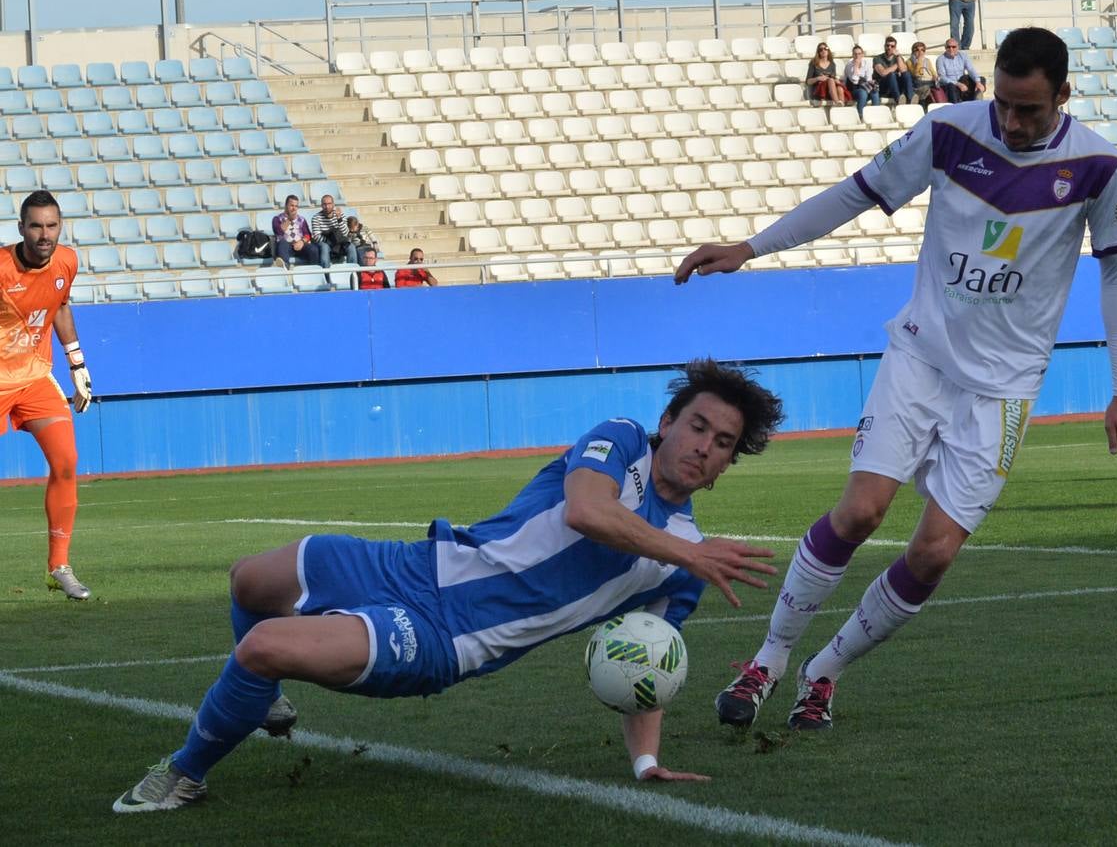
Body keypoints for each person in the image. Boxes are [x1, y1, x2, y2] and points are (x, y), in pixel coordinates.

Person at [672, 27, 1117, 732]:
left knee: (932, 553)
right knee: (860, 511)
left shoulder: (1097, 167)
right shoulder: (947, 132)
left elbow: (1114, 269)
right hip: (920, 357)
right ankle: (765, 661)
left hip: (1004, 388)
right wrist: (752, 245)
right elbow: (852, 195)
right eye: (1005, 106)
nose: (1013, 124)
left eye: (1031, 111)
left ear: (1063, 98)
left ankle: (822, 672)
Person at [112, 359, 786, 812]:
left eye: (722, 441)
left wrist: (645, 765)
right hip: (420, 563)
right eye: (696, 425)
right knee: (250, 580)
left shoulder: (685, 564)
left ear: (728, 462)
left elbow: (646, 664)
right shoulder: (619, 443)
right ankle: (265, 703)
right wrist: (686, 552)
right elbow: (588, 510)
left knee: (262, 646)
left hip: (446, 638)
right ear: (667, 422)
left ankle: (183, 774)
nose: (704, 445)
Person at [0, 190, 95, 600]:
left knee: (67, 462)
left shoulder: (67, 261)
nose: (45, 234)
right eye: (36, 226)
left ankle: (59, 565)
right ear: (21, 228)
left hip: (35, 378)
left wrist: (78, 364)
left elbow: (59, 305)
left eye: (51, 225)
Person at [270, 195, 321, 268]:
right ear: (286, 205)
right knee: (282, 243)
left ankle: (314, 270)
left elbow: (307, 235)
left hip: (300, 245)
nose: (294, 208)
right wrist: (289, 220)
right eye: (291, 205)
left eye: (296, 206)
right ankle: (285, 267)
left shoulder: (301, 219)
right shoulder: (277, 219)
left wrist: (302, 242)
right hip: (286, 247)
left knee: (313, 249)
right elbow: (279, 232)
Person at [310, 194, 357, 265]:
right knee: (324, 247)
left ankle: (353, 273)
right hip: (326, 243)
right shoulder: (316, 218)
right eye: (324, 204)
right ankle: (326, 274)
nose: (327, 206)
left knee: (351, 247)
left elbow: (345, 233)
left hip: (340, 243)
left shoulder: (340, 215)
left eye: (329, 204)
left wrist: (339, 219)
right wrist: (331, 242)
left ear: (333, 204)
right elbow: (317, 237)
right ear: (321, 205)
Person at [936, 39, 985, 103]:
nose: (951, 49)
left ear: (957, 47)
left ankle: (977, 99)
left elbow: (970, 69)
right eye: (948, 47)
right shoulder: (940, 59)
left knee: (981, 79)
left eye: (953, 47)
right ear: (945, 48)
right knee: (951, 86)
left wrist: (977, 82)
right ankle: (956, 106)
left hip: (962, 81)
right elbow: (942, 77)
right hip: (950, 84)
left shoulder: (963, 55)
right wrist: (958, 84)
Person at [843, 46, 880, 120]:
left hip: (864, 87)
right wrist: (856, 67)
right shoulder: (849, 65)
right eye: (855, 54)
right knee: (863, 93)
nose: (857, 56)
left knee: (874, 92)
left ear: (862, 54)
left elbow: (869, 78)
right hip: (853, 89)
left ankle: (875, 115)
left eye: (859, 54)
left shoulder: (866, 63)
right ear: (852, 55)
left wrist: (871, 84)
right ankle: (860, 116)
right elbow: (854, 81)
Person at [873, 36, 912, 106]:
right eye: (887, 45)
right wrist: (897, 65)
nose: (889, 48)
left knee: (907, 74)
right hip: (883, 88)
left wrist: (898, 57)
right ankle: (898, 100)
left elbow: (903, 71)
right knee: (891, 75)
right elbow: (883, 73)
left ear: (895, 47)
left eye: (892, 46)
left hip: (896, 87)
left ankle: (910, 98)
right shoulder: (877, 58)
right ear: (884, 46)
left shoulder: (898, 58)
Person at [905, 41, 938, 110]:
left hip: (929, 81)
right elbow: (916, 74)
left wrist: (935, 77)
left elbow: (933, 72)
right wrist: (919, 61)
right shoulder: (909, 61)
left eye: (922, 50)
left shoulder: (927, 60)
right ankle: (922, 108)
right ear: (913, 51)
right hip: (918, 81)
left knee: (929, 87)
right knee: (924, 87)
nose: (920, 52)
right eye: (917, 50)